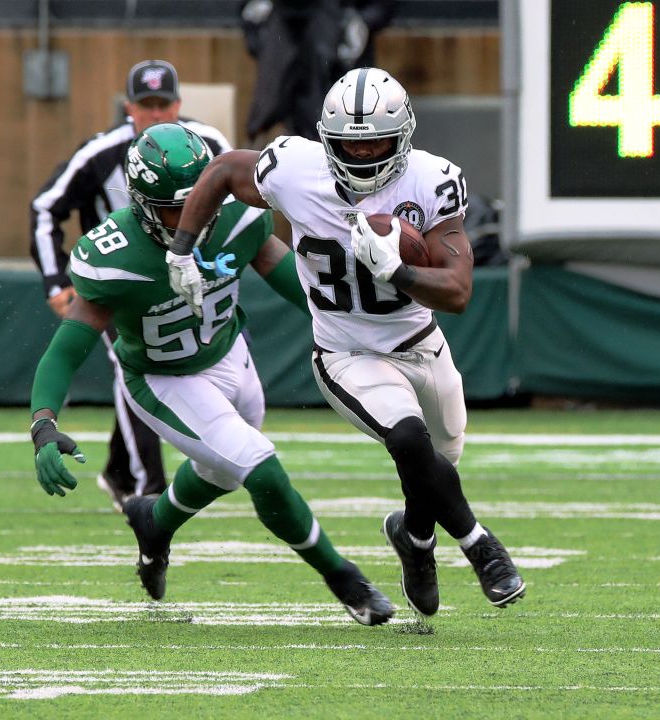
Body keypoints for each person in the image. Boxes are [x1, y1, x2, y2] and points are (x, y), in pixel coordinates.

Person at [165, 67, 525, 615]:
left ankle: (415, 538)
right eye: (348, 145)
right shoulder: (293, 168)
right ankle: (482, 549)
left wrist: (398, 272)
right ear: (324, 140)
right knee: (409, 440)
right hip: (346, 351)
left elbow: (457, 292)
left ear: (403, 136)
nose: (363, 157)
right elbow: (220, 172)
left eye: (376, 142)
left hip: (421, 341)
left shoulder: (431, 180)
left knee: (435, 463)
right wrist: (181, 250)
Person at [28, 123, 395, 626]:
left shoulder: (238, 216)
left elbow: (294, 282)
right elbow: (65, 351)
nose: (193, 217)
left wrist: (358, 327)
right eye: (175, 207)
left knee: (221, 469)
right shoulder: (114, 256)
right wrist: (43, 423)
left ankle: (153, 523)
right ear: (141, 204)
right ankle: (345, 579)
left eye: (200, 197)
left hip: (230, 355)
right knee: (259, 467)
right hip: (163, 380)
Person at [29, 59, 232, 511]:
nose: (156, 114)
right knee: (134, 369)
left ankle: (120, 468)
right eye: (147, 105)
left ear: (179, 105)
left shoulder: (209, 146)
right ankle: (147, 487)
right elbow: (45, 208)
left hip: (195, 278)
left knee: (195, 368)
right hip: (122, 282)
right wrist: (55, 282)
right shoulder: (101, 153)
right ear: (129, 108)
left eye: (164, 104)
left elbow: (237, 202)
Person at [240, 0, 397, 145]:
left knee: (327, 103)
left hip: (334, 25)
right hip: (280, 19)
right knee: (271, 100)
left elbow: (382, 5)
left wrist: (364, 21)